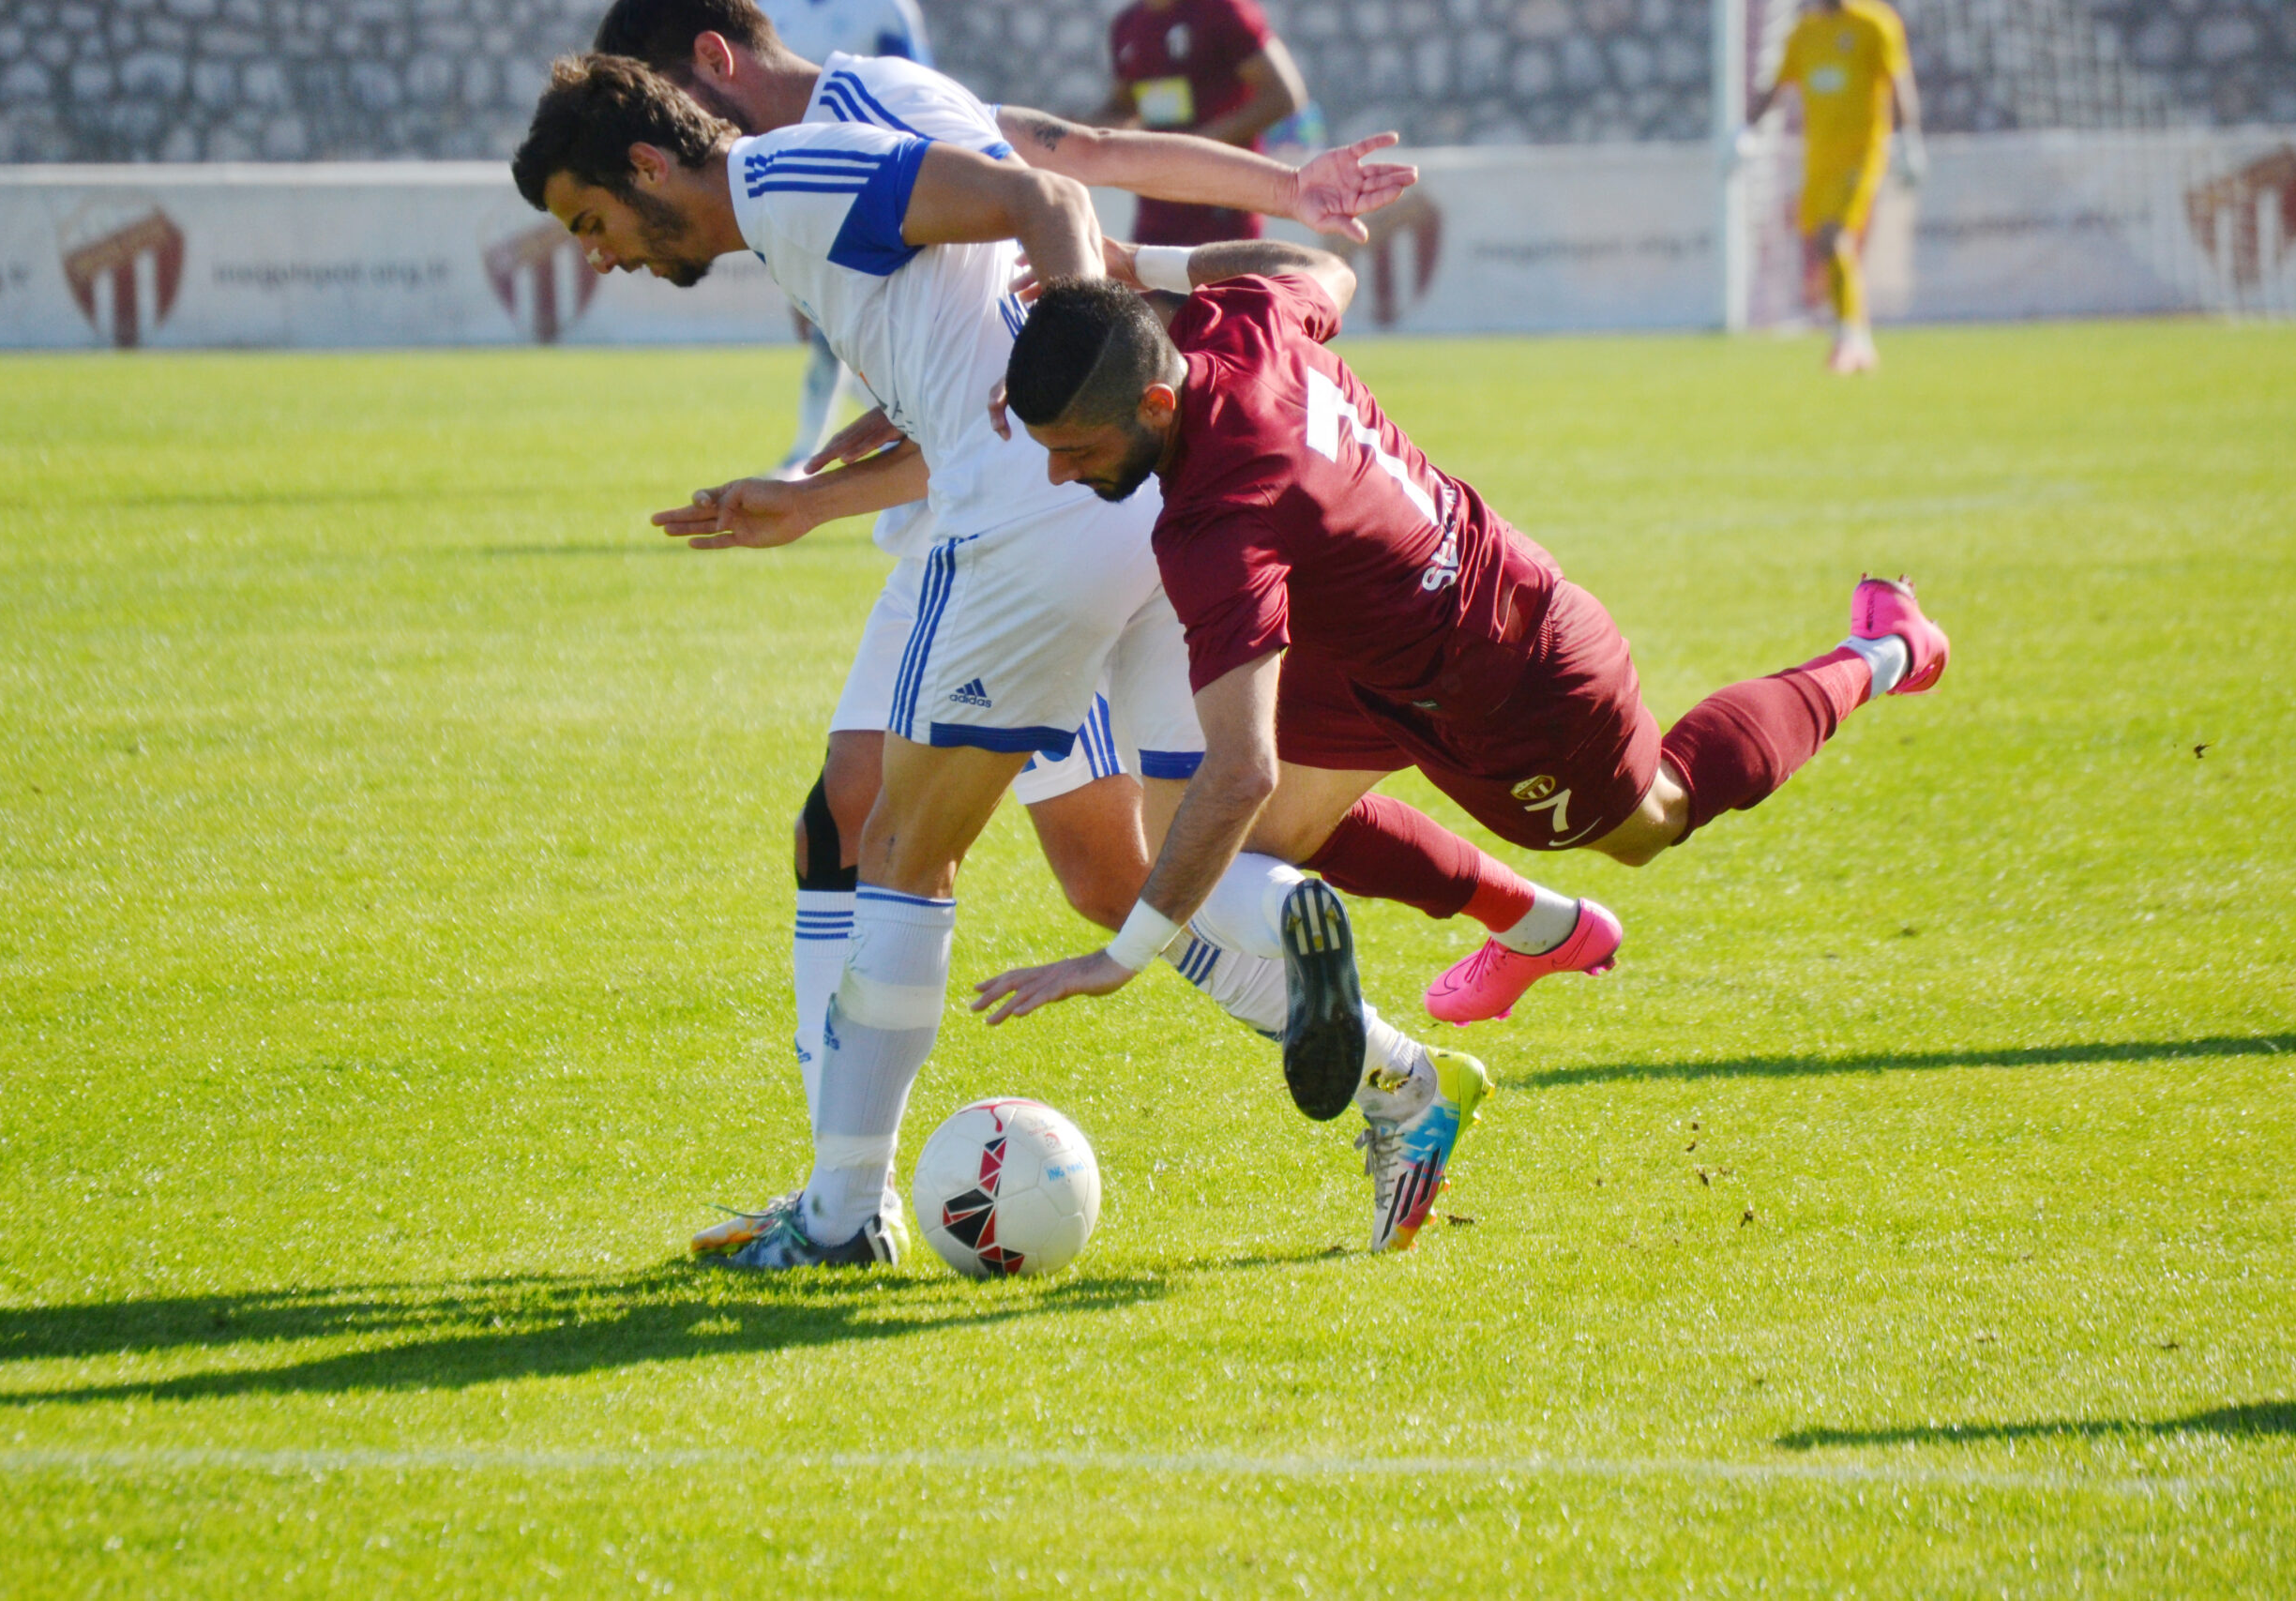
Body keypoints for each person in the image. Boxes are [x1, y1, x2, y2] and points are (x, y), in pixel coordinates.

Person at [510, 53, 1491, 1267]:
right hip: (1130, 504)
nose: (597, 253)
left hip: (1030, 534)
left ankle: (840, 1213)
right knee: (1080, 860)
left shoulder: (789, 175)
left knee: (898, 847)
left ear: (652, 156)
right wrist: (822, 494)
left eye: (590, 220)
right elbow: (1009, 279)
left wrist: (1090, 357)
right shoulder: (829, 162)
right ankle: (1378, 1044)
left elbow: (1057, 199)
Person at [974, 244, 1949, 1038]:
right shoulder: (1242, 321)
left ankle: (1884, 651)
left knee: (1653, 819)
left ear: (1154, 404)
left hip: (1519, 684)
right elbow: (1318, 262)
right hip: (1382, 653)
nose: (1061, 476)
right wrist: (1138, 257)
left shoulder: (1213, 526)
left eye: (1078, 452)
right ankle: (1531, 927)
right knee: (1257, 850)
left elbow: (1240, 771)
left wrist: (1122, 956)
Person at [755, 0, 934, 474]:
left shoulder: (885, 9)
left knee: (868, 332)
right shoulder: (768, 9)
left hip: (880, 189)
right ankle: (814, 452)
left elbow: (919, 92)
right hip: (799, 189)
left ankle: (908, 436)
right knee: (825, 330)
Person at [1742, 0, 1925, 373]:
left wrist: (1909, 139)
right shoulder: (1804, 33)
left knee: (1832, 237)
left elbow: (1898, 81)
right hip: (1818, 160)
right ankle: (1856, 337)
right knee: (1825, 245)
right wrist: (1744, 130)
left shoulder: (1876, 24)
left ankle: (1851, 338)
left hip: (1862, 154)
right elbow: (1775, 87)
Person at [1096, 0, 1308, 247]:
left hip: (1223, 211)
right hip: (1157, 214)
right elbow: (1123, 106)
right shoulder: (1128, 24)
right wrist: (1068, 130)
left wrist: (1197, 147)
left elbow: (1283, 95)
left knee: (1221, 285)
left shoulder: (1222, 10)